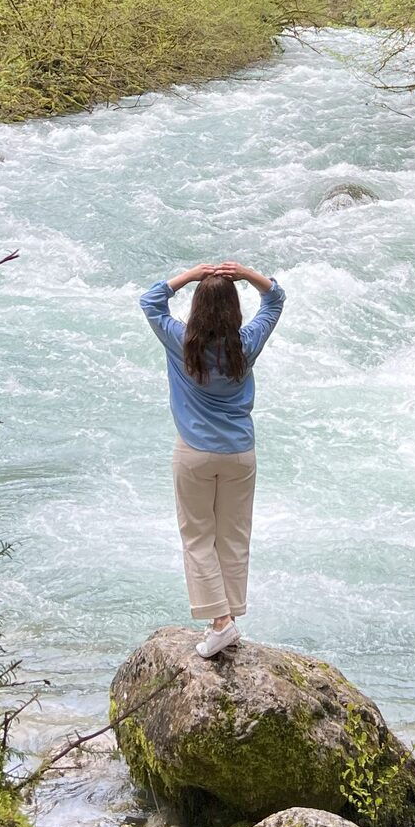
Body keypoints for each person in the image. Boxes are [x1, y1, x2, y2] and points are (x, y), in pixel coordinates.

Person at [138, 260, 285, 658]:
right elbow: (274, 300)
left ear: (197, 308)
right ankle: (228, 618)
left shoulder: (181, 340)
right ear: (235, 309)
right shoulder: (246, 344)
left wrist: (188, 276)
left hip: (195, 454)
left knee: (198, 537)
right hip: (240, 453)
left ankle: (220, 622)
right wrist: (247, 273)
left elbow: (150, 302)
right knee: (234, 538)